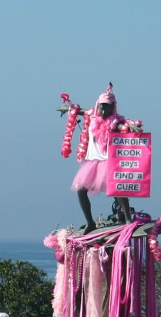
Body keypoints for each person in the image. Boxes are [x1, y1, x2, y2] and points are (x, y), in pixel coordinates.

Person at [63, 83, 140, 234]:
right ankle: (90, 222)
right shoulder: (92, 117)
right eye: (101, 106)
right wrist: (69, 109)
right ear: (97, 106)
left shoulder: (115, 122)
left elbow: (125, 125)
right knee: (80, 189)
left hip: (109, 162)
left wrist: (132, 126)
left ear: (113, 108)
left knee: (117, 190)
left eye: (107, 107)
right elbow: (82, 111)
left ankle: (128, 219)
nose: (104, 110)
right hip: (93, 162)